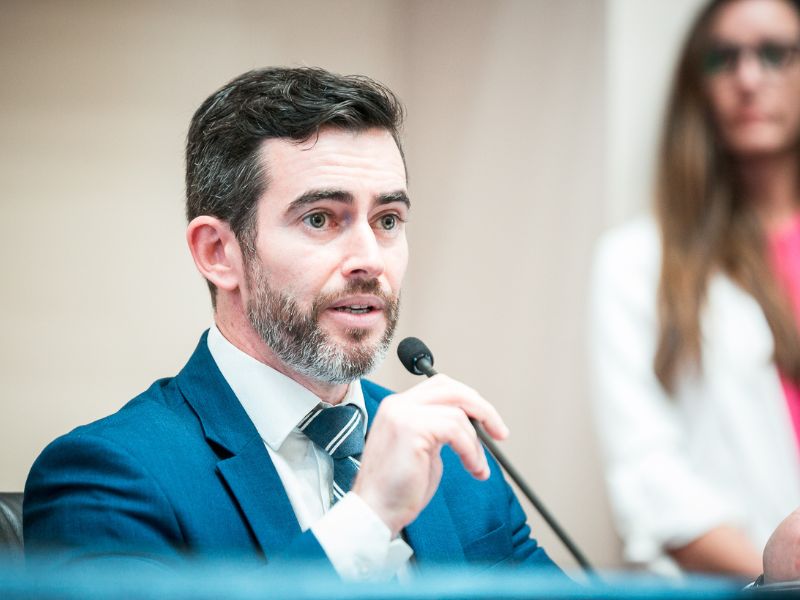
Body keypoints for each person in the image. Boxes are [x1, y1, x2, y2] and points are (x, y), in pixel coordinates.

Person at [22, 67, 560, 580]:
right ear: (218, 252)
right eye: (320, 219)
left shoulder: (449, 455)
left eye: (388, 220)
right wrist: (367, 520)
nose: (370, 259)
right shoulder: (108, 477)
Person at [590, 0, 800, 579]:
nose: (748, 78)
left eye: (775, 53)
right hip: (743, 584)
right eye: (723, 58)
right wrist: (779, 579)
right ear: (697, 84)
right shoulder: (636, 262)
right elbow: (649, 477)